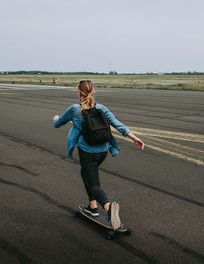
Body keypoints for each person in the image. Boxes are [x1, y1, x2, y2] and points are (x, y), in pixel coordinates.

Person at [52, 80, 144, 230]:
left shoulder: (75, 109)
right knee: (86, 174)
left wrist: (55, 118)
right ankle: (92, 206)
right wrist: (134, 137)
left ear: (79, 93)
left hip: (87, 152)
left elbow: (57, 124)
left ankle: (109, 210)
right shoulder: (101, 108)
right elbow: (117, 123)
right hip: (103, 151)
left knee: (93, 183)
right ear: (92, 92)